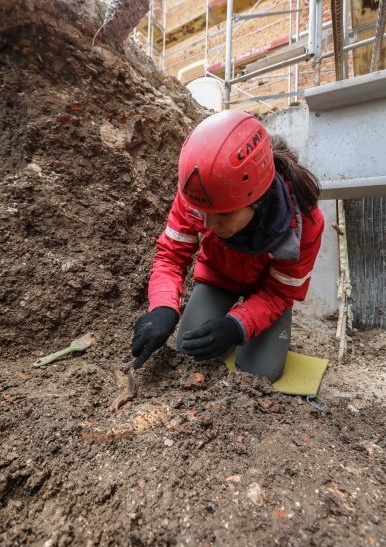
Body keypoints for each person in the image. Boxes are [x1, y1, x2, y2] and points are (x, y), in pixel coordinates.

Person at [131, 110, 324, 381]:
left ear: (257, 198)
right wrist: (163, 308)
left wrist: (236, 325)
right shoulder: (200, 194)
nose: (208, 224)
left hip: (267, 292)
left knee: (260, 372)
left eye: (224, 214)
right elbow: (171, 258)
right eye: (202, 212)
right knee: (187, 348)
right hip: (219, 277)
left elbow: (279, 293)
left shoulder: (304, 222)